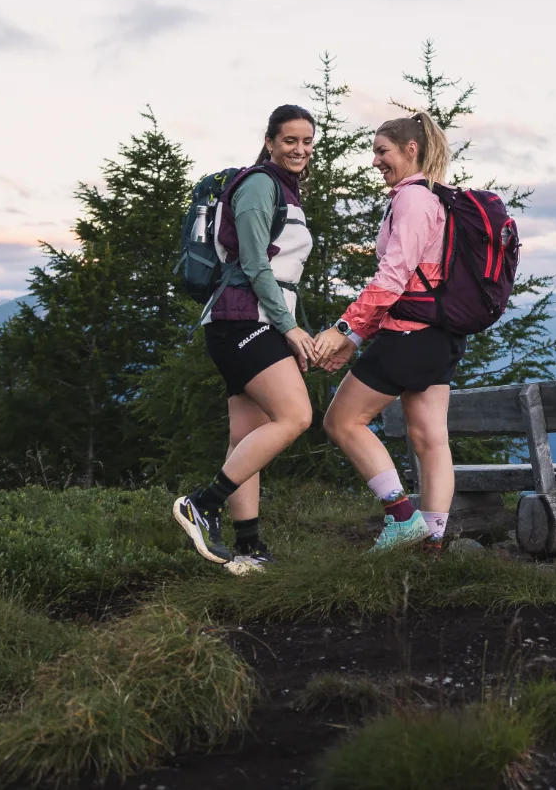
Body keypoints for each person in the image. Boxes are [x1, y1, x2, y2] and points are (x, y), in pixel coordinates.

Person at [171, 105, 319, 574]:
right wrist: (289, 327)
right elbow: (255, 264)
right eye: (290, 140)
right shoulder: (259, 184)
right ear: (270, 142)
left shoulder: (285, 189)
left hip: (252, 319)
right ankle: (202, 504)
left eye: (307, 141)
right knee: (296, 416)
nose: (299, 149)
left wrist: (289, 326)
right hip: (242, 319)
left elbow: (277, 269)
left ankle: (249, 548)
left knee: (247, 436)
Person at [309, 111, 461, 554]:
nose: (375, 161)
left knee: (342, 421)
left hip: (409, 336)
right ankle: (432, 546)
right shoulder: (437, 199)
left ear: (411, 150)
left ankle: (402, 519)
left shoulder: (412, 200)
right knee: (430, 438)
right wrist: (356, 339)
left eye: (382, 151)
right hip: (440, 336)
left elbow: (393, 280)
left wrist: (345, 329)